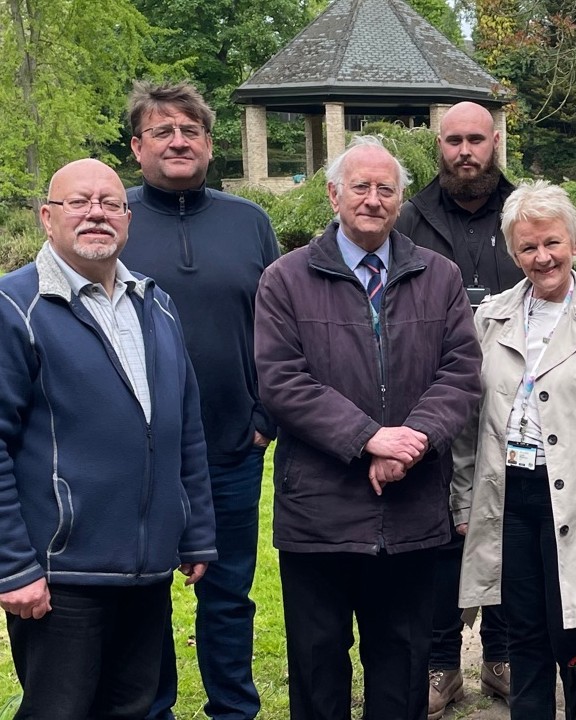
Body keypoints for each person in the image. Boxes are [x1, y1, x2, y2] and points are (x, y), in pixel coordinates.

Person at [254, 136, 482, 720]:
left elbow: (461, 372)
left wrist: (411, 441)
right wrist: (367, 438)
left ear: (401, 200)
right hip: (319, 515)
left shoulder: (440, 276)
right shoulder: (286, 279)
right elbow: (282, 381)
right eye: (360, 186)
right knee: (317, 663)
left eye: (387, 189)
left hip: (409, 512)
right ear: (333, 194)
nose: (373, 199)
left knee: (403, 663)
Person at [0, 158, 216, 718]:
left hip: (145, 568)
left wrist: (193, 533)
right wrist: (13, 566)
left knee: (140, 708)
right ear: (48, 218)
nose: (96, 213)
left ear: (127, 219)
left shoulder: (155, 303)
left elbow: (184, 426)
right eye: (78, 202)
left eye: (110, 203)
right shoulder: (14, 308)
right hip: (61, 575)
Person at [452, 180, 576, 719]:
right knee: (523, 635)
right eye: (527, 247)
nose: (542, 258)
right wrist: (464, 501)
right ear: (513, 251)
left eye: (552, 243)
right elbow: (470, 424)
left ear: (574, 243)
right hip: (509, 498)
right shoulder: (491, 317)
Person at [121, 80, 280, 720]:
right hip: (138, 455)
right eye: (163, 131)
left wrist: (263, 419)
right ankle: (149, 708)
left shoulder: (250, 223)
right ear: (138, 147)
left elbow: (280, 328)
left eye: (190, 130)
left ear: (210, 145)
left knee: (229, 592)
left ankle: (234, 709)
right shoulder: (114, 220)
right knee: (144, 591)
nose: (179, 140)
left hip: (232, 447)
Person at [395, 99, 518, 716]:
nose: (465, 151)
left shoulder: (523, 210)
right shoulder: (410, 218)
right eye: (453, 141)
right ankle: (443, 663)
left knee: (504, 524)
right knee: (441, 534)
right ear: (437, 145)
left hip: (514, 398)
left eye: (476, 139)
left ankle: (501, 655)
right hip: (433, 396)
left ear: (494, 141)